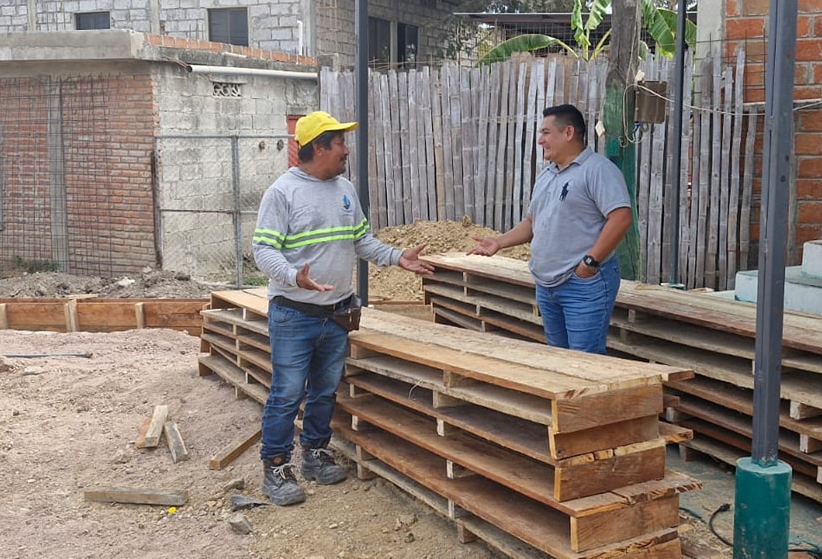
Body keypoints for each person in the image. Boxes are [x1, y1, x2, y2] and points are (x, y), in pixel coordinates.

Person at [251, 110, 433, 506]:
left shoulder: (344, 189)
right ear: (319, 148)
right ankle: (276, 467)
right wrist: (293, 276)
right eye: (340, 143)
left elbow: (361, 241)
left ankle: (315, 454)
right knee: (287, 393)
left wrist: (397, 257)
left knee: (324, 391)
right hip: (294, 314)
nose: (346, 150)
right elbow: (263, 249)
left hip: (337, 314)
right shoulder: (282, 193)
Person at [468, 103, 632, 355]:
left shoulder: (598, 170)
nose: (540, 140)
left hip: (582, 284)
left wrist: (589, 264)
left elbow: (621, 218)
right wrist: (499, 242)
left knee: (584, 360)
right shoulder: (548, 175)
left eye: (546, 133)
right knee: (557, 357)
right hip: (546, 285)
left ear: (568, 133)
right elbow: (532, 223)